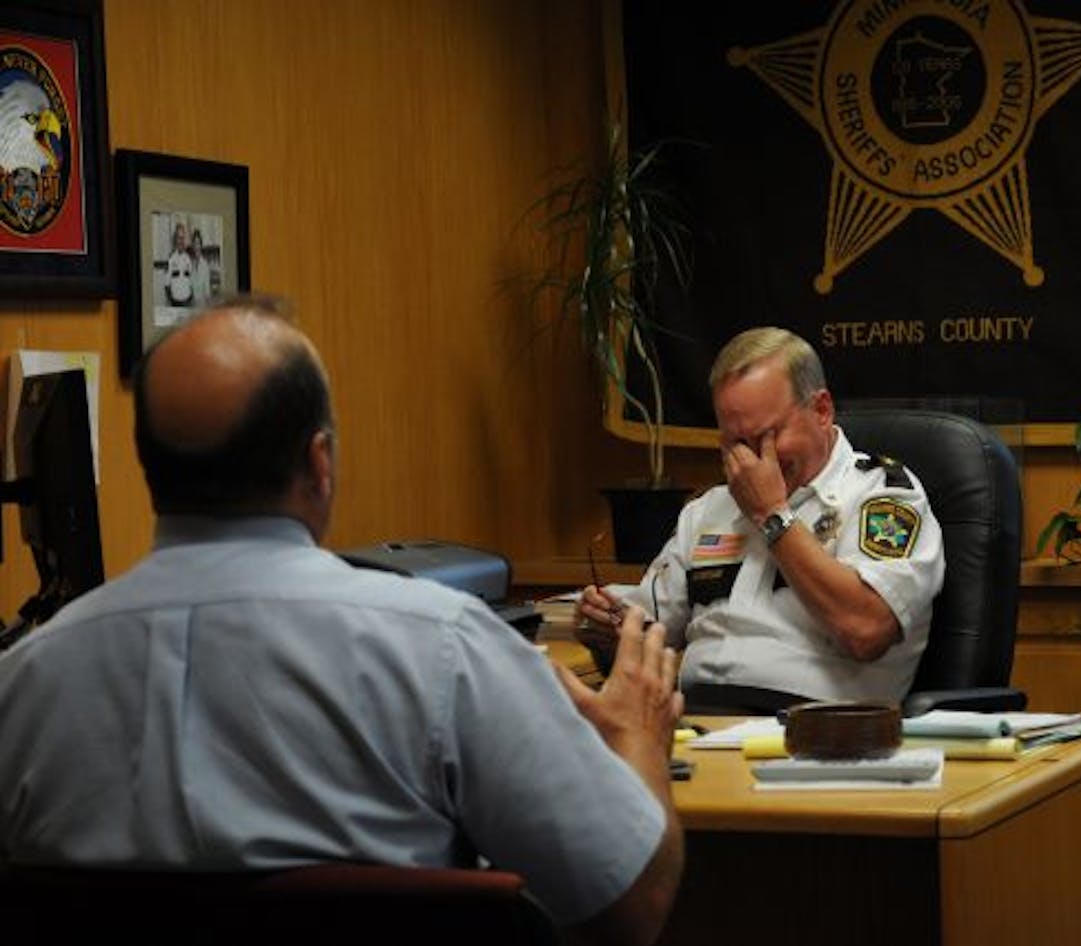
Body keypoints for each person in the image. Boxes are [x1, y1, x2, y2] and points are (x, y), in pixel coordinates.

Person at [0, 296, 683, 946]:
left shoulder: (23, 683)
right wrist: (638, 736)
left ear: (151, 469)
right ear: (319, 462)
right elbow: (629, 910)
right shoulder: (445, 650)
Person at [578, 327, 946, 703]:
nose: (752, 461)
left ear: (821, 410)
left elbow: (865, 629)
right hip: (696, 721)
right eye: (735, 443)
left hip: (813, 732)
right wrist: (611, 628)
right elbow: (650, 636)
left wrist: (772, 515)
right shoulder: (709, 509)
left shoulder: (884, 497)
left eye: (766, 438)